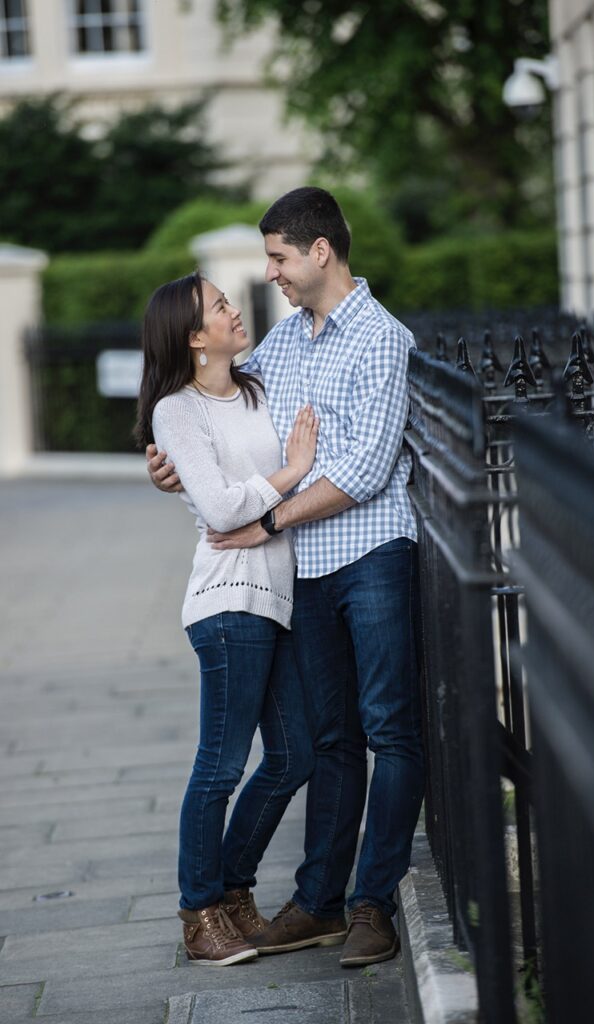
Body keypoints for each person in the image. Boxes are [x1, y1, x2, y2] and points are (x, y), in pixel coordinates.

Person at [147, 186, 424, 968]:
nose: (269, 273)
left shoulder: (381, 338)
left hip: (371, 554)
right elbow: (219, 410)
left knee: (390, 730)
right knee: (330, 741)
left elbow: (364, 470)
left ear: (319, 252)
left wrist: (266, 520)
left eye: (277, 257)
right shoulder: (285, 344)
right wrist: (173, 467)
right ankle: (318, 904)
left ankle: (374, 904)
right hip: (303, 572)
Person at [135, 271, 319, 966]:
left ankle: (233, 890)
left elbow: (236, 492)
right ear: (193, 337)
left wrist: (281, 480)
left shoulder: (256, 387)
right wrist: (288, 472)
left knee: (295, 754)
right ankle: (198, 911)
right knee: (219, 767)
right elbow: (217, 510)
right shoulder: (175, 412)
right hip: (227, 600)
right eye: (219, 306)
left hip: (278, 597)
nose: (234, 309)